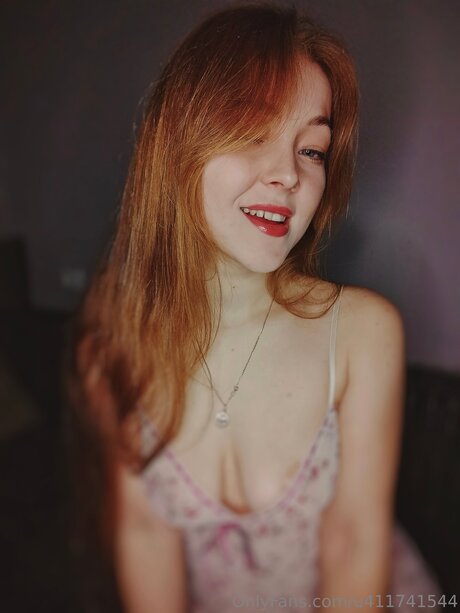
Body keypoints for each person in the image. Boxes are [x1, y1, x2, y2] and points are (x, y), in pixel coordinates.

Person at [68, 3, 444, 612]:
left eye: (312, 150)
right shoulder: (110, 350)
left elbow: (353, 542)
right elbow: (144, 534)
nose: (288, 175)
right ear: (177, 144)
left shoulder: (362, 334)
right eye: (252, 132)